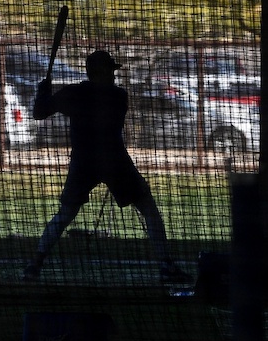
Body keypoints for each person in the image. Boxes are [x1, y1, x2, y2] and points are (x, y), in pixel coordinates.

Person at [23, 50, 191, 283]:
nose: (113, 75)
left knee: (65, 214)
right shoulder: (117, 95)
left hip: (84, 161)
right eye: (110, 71)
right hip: (114, 160)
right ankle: (166, 265)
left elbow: (39, 112)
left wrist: (44, 92)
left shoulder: (76, 93)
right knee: (148, 210)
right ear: (101, 72)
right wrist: (48, 94)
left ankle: (35, 264)